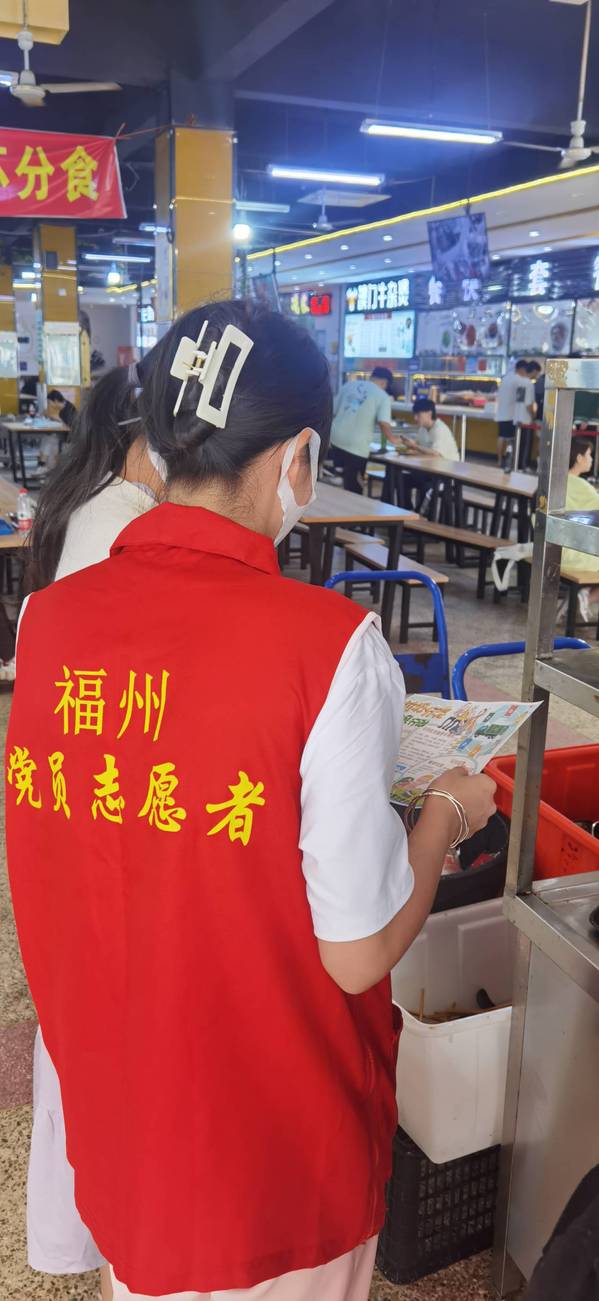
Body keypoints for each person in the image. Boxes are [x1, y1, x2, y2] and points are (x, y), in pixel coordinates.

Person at [7, 300, 496, 1301]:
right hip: (267, 1150)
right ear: (298, 456)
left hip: (120, 1110)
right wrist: (446, 813)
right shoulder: (328, 646)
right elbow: (356, 949)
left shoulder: (49, 621)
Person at [27, 358, 164, 1301]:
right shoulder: (124, 523)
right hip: (114, 800)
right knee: (105, 1042)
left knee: (82, 1034)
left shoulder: (88, 506)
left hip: (86, 799)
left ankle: (97, 1225)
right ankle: (111, 1227)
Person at [331, 365, 396, 492]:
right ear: (385, 382)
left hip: (336, 439)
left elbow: (333, 411)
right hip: (356, 446)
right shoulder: (382, 396)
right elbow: (384, 423)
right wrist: (393, 440)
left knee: (338, 481)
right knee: (354, 487)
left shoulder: (348, 385)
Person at [561, 436, 599, 621]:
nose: (591, 459)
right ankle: (586, 597)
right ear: (578, 458)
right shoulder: (582, 487)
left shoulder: (555, 481)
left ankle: (582, 597)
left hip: (554, 547)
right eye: (589, 455)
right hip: (574, 553)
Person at [495, 360, 535, 469]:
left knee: (501, 437)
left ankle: (499, 461)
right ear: (522, 369)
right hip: (512, 414)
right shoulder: (521, 381)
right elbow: (522, 400)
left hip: (501, 413)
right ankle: (509, 461)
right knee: (510, 441)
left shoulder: (505, 378)